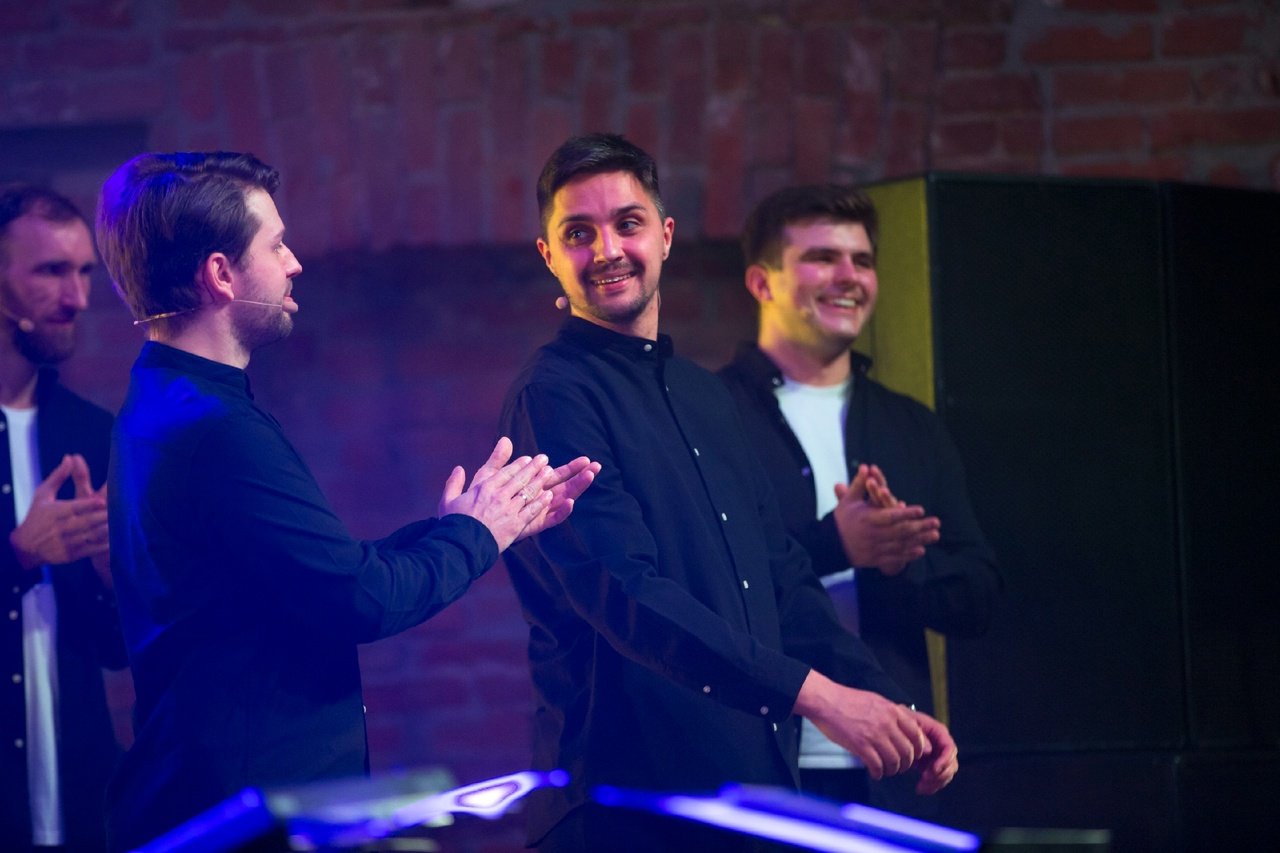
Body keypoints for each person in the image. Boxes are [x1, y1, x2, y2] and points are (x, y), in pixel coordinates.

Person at [93, 151, 600, 851]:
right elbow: (359, 598)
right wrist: (478, 534)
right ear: (220, 274)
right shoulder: (215, 429)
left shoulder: (163, 399)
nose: (294, 263)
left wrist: (468, 524)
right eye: (276, 245)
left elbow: (313, 570)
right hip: (249, 820)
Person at [497, 134, 958, 852]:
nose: (608, 249)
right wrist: (822, 698)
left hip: (750, 793)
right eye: (578, 233)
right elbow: (626, 593)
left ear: (665, 235)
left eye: (627, 223)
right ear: (549, 255)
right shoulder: (553, 395)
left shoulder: (706, 396)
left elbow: (780, 578)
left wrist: (884, 703)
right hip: (624, 809)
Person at [717, 184, 1001, 812]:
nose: (849, 276)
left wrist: (901, 563)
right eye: (823, 258)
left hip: (894, 760)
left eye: (863, 261)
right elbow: (703, 589)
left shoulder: (911, 426)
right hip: (762, 761)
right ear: (762, 283)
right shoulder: (710, 416)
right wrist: (835, 545)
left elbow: (980, 597)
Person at [0, 184, 124, 853]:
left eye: (83, 272)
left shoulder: (91, 431)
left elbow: (116, 650)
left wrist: (110, 576)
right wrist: (17, 558)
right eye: (51, 271)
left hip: (81, 806)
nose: (76, 298)